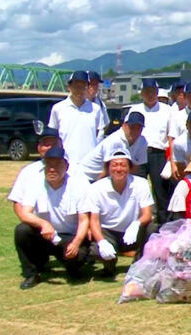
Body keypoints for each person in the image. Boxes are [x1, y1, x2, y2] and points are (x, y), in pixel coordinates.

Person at [13, 147, 91, 289]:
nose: (52, 169)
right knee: (22, 230)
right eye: (48, 164)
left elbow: (84, 219)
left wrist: (76, 242)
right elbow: (25, 213)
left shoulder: (79, 185)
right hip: (45, 235)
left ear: (66, 167)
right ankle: (32, 274)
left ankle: (73, 268)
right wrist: (42, 223)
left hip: (69, 236)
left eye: (57, 165)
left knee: (77, 258)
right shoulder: (35, 183)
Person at [86, 148, 153, 278]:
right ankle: (109, 266)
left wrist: (136, 224)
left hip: (132, 231)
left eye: (123, 165)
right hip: (109, 232)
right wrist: (101, 242)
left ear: (130, 168)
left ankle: (139, 264)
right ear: (108, 168)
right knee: (96, 249)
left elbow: (147, 214)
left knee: (151, 228)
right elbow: (93, 220)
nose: (118, 169)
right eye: (114, 165)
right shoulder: (96, 188)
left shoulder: (141, 184)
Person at [127, 79, 172, 224]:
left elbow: (171, 135)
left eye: (153, 91)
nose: (150, 95)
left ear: (157, 93)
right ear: (141, 93)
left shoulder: (167, 110)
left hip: (159, 153)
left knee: (160, 191)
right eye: (146, 92)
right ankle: (136, 221)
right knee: (136, 188)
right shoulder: (135, 109)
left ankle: (164, 223)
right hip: (138, 152)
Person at [48, 70, 107, 164]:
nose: (79, 90)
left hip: (89, 163)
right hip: (66, 162)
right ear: (69, 87)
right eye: (76, 86)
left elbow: (99, 132)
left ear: (87, 88)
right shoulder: (58, 108)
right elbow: (53, 135)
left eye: (83, 87)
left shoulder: (96, 109)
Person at [73, 111, 148, 181]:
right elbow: (108, 171)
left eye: (138, 128)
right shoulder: (114, 141)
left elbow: (135, 168)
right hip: (86, 176)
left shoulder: (142, 141)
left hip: (104, 177)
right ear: (124, 126)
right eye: (132, 127)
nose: (135, 131)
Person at [8, 127, 62, 215]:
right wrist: (27, 220)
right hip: (36, 223)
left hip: (68, 224)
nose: (50, 148)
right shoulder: (28, 171)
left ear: (61, 146)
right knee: (23, 229)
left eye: (54, 145)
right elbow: (17, 201)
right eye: (46, 145)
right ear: (39, 148)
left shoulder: (73, 170)